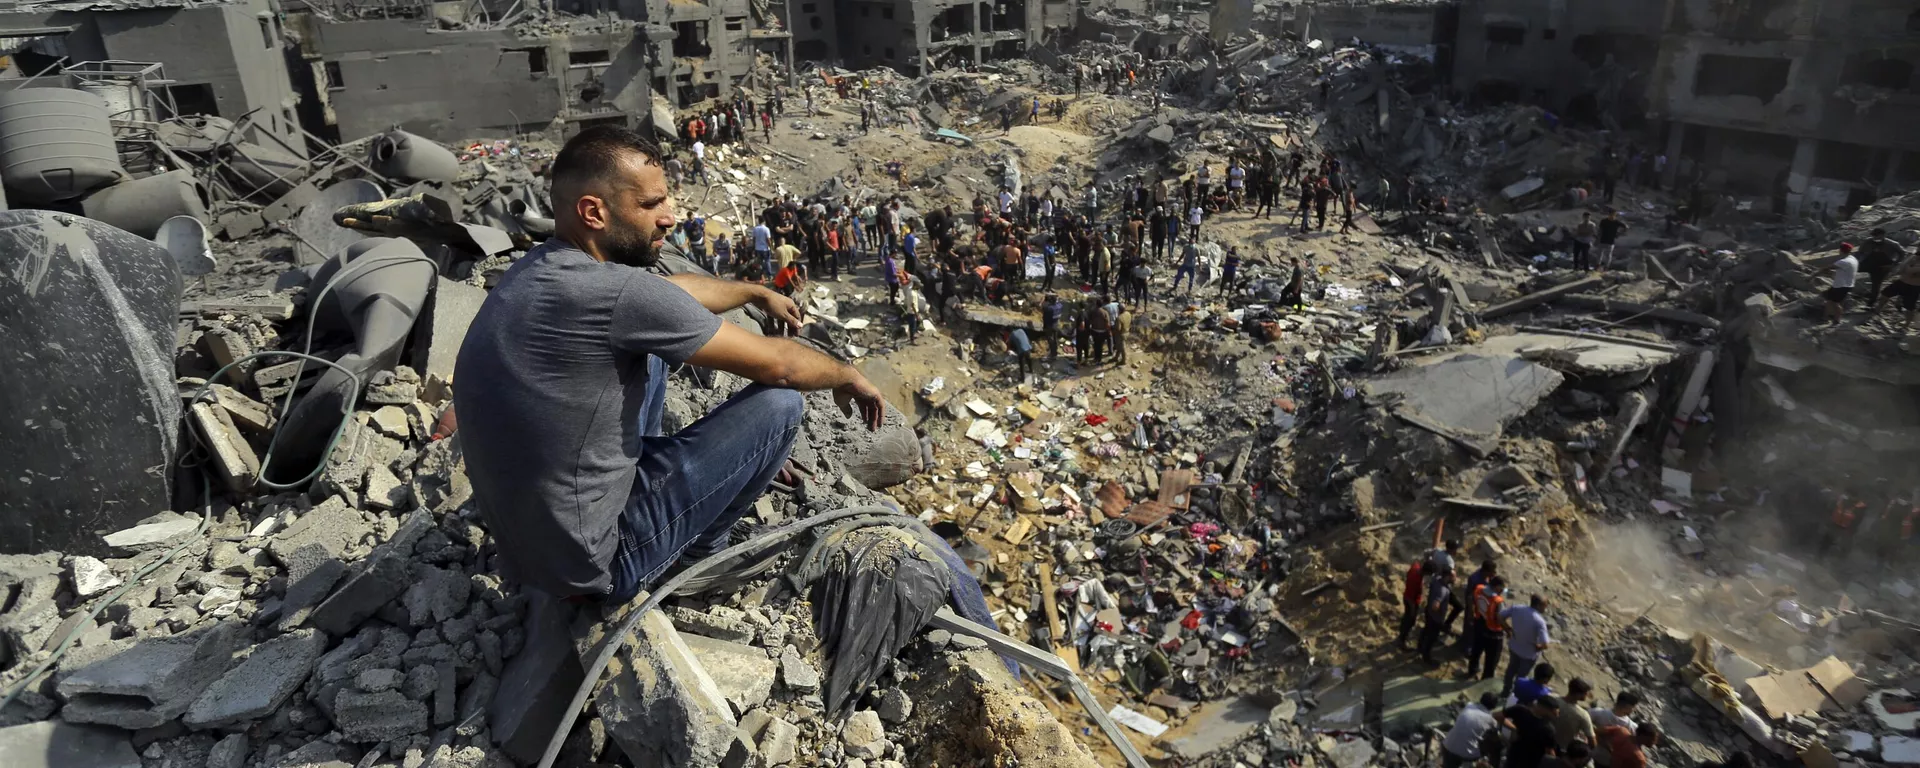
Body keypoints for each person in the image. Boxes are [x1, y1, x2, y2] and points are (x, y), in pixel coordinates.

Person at [451, 126, 887, 607]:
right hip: (599, 566)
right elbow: (781, 368)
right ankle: (699, 554)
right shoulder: (616, 295)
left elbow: (667, 296)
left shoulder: (542, 267)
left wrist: (753, 291)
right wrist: (847, 375)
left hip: (531, 547)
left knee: (651, 358)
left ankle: (670, 488)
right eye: (650, 205)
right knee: (781, 404)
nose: (669, 218)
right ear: (594, 212)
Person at [1501, 594, 1553, 699]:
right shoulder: (1539, 621)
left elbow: (1500, 616)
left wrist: (1508, 629)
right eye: (1544, 605)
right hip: (1528, 655)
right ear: (1539, 605)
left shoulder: (1517, 608)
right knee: (1521, 676)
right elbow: (1545, 644)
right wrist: (1538, 647)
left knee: (1510, 669)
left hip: (1514, 647)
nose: (1545, 608)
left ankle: (1505, 691)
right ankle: (1515, 695)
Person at [1441, 692, 1501, 768]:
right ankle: (1491, 763)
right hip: (1465, 754)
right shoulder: (1491, 720)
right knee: (1493, 744)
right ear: (1494, 706)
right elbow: (1495, 737)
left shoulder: (1469, 706)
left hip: (1447, 744)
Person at [1466, 575, 1507, 681]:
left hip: (1479, 624)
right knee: (1491, 660)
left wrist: (1471, 613)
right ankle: (1485, 681)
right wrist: (1509, 630)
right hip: (1494, 633)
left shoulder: (1479, 589)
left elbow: (1470, 598)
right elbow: (1500, 619)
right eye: (1501, 588)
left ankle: (1472, 670)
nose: (1502, 590)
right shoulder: (1498, 601)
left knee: (1476, 651)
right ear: (1497, 587)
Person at [1504, 696, 1564, 768]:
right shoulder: (1548, 729)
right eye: (1553, 713)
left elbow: (1498, 716)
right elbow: (1549, 751)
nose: (1556, 716)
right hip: (1531, 762)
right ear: (1544, 709)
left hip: (1513, 754)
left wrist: (1514, 729)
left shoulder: (1520, 710)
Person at [1861, 228, 1906, 313]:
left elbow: (1903, 253)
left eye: (1876, 235)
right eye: (1873, 235)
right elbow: (1860, 252)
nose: (1874, 237)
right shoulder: (1867, 241)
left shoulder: (1892, 244)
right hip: (1870, 264)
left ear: (1883, 235)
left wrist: (1894, 264)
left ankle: (1870, 303)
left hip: (1883, 267)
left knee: (1876, 284)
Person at [1418, 566, 1454, 663]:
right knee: (1431, 638)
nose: (1455, 578)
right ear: (1447, 577)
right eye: (1453, 576)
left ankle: (1420, 647)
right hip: (1436, 618)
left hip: (1429, 613)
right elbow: (1436, 604)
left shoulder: (1437, 580)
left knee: (1426, 631)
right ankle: (1426, 658)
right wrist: (1438, 612)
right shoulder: (1443, 590)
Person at [1554, 678, 1597, 752]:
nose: (1587, 694)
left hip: (1542, 739)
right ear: (1578, 694)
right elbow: (1593, 744)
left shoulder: (1553, 700)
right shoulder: (1583, 715)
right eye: (1585, 692)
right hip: (1562, 749)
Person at [1826, 243, 1860, 324]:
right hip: (1845, 284)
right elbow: (1844, 270)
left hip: (1841, 286)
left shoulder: (1843, 261)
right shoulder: (1853, 259)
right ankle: (1826, 317)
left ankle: (1837, 320)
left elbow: (1827, 268)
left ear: (1840, 251)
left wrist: (1812, 276)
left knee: (1835, 303)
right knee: (1830, 300)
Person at [1041, 293, 1066, 360]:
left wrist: (1044, 299)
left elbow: (1043, 309)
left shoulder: (1049, 309)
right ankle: (1055, 351)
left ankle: (1052, 354)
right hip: (1056, 324)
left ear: (1051, 301)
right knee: (1055, 339)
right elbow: (1058, 302)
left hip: (1050, 326)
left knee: (1050, 339)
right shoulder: (1060, 306)